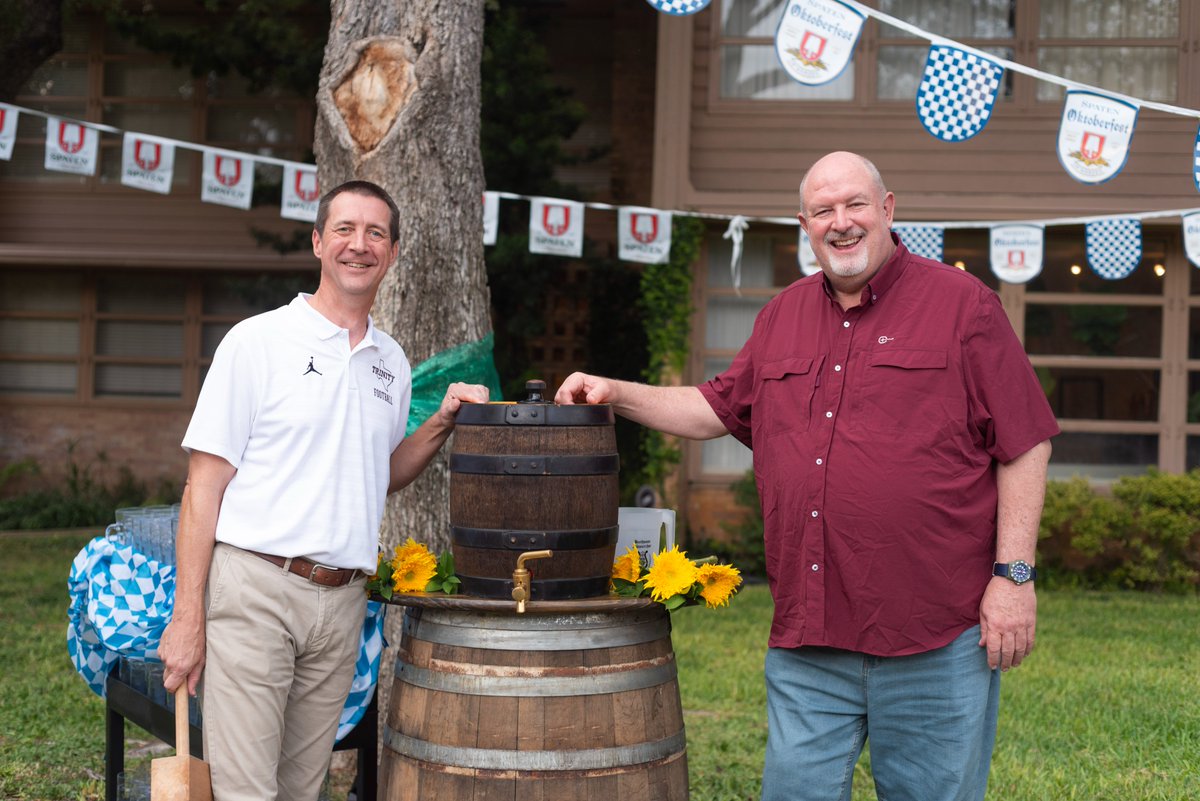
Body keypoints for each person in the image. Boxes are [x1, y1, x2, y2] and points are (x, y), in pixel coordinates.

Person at [556, 151, 1059, 801]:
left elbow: (1025, 441)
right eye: (823, 210)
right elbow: (714, 408)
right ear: (805, 225)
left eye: (855, 204)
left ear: (887, 209)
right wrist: (614, 391)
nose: (841, 222)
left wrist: (1014, 577)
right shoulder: (781, 317)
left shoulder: (964, 307)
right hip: (809, 638)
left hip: (933, 635)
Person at [159, 179, 489, 801]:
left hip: (341, 605)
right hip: (256, 589)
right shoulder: (257, 342)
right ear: (317, 242)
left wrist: (441, 420)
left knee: (300, 790)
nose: (359, 245)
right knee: (246, 792)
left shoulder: (392, 363)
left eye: (375, 233)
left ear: (393, 252)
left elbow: (378, 474)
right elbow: (203, 486)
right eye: (344, 229)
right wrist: (187, 616)